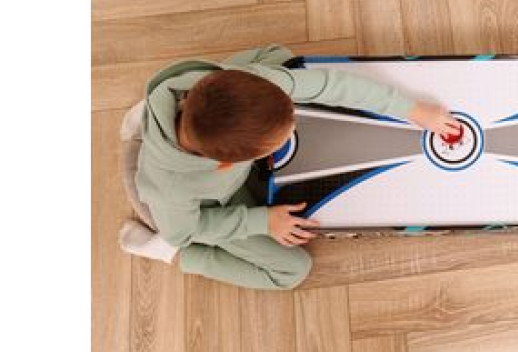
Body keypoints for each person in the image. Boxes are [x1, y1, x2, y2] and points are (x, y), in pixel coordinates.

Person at [118, 44, 460, 290]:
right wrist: (262, 221)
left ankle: (148, 120)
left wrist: (412, 110)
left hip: (213, 140)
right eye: (281, 138)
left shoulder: (251, 81)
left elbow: (331, 85)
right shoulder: (171, 191)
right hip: (209, 210)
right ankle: (170, 255)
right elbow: (187, 230)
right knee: (291, 271)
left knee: (281, 56)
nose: (295, 127)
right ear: (227, 163)